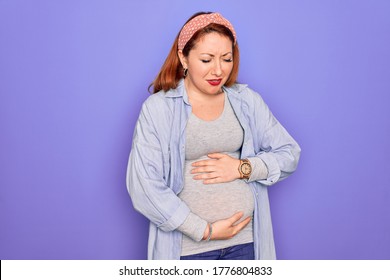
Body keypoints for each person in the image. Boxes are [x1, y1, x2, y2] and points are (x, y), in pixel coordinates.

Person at [126, 12, 301, 260]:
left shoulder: (246, 101)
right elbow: (144, 185)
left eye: (226, 59)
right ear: (183, 58)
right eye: (207, 60)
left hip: (247, 243)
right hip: (188, 252)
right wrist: (204, 230)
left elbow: (289, 153)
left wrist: (244, 168)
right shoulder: (159, 108)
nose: (218, 70)